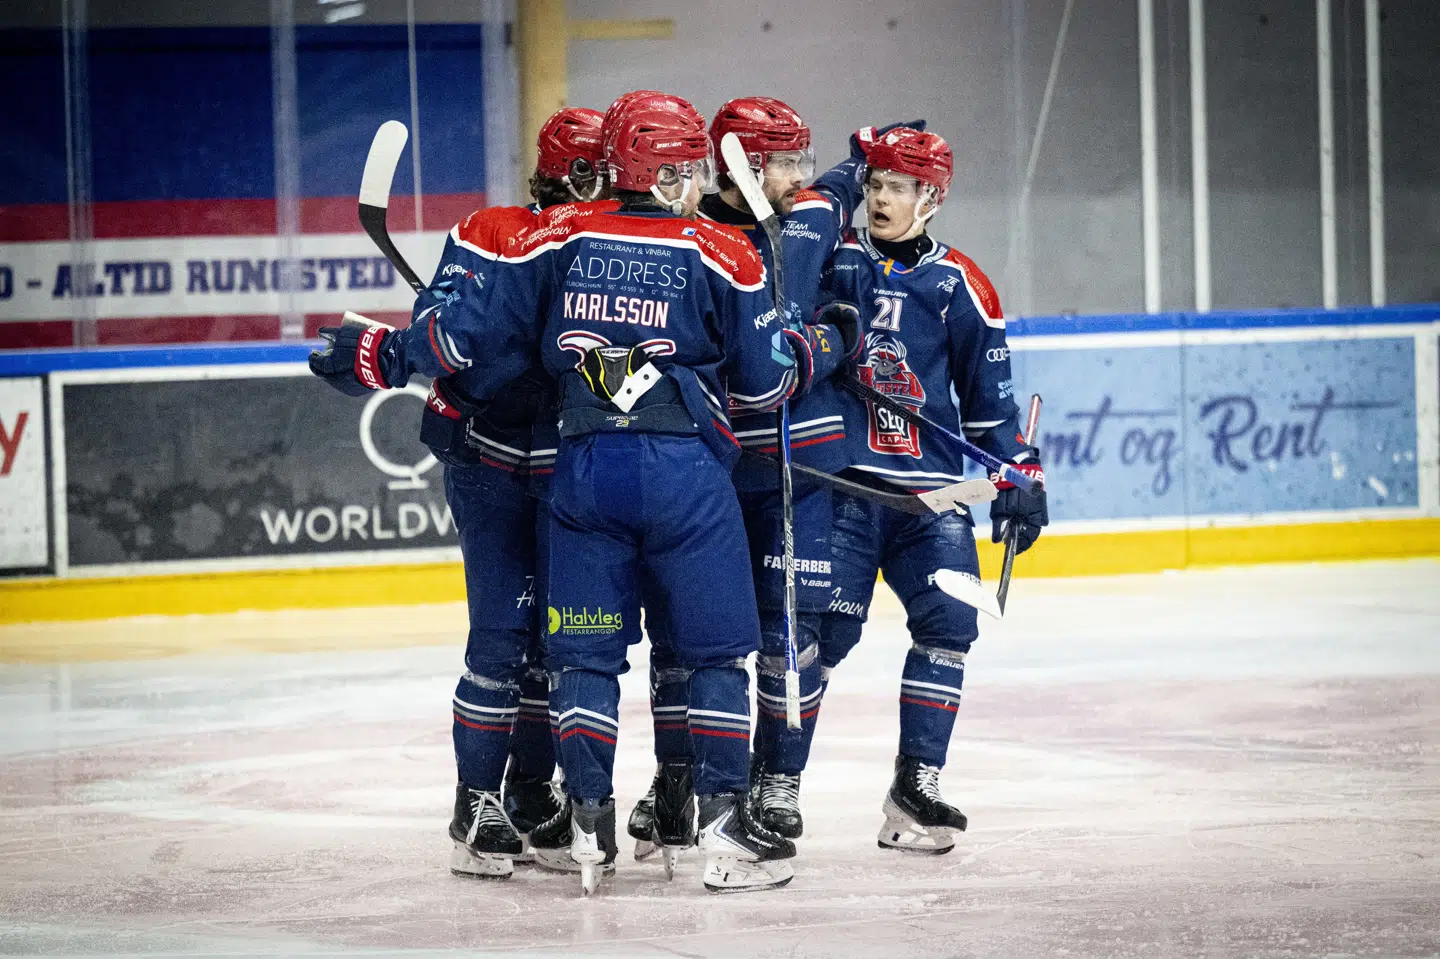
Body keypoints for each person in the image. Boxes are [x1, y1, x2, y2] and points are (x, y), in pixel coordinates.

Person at [313, 91, 850, 893]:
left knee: (582, 648)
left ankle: (590, 803)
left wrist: (399, 352)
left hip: (574, 469)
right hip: (518, 465)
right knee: (533, 641)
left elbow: (470, 335)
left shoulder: (558, 237)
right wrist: (397, 353)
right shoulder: (531, 235)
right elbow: (460, 339)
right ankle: (502, 801)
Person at [313, 106, 606, 881]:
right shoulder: (493, 231)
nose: (612, 184)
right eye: (597, 169)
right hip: (495, 461)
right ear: (569, 171)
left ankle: (533, 791)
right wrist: (400, 349)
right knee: (505, 638)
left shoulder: (622, 242)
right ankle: (475, 802)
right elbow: (443, 336)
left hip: (577, 469)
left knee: (559, 641)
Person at [765, 127, 1048, 853]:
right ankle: (776, 784)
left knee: (952, 628)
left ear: (933, 196)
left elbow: (992, 408)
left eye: (899, 186)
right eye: (877, 184)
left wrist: (1021, 471)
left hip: (934, 501)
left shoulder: (963, 287)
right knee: (820, 639)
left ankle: (915, 785)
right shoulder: (834, 258)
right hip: (848, 487)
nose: (882, 198)